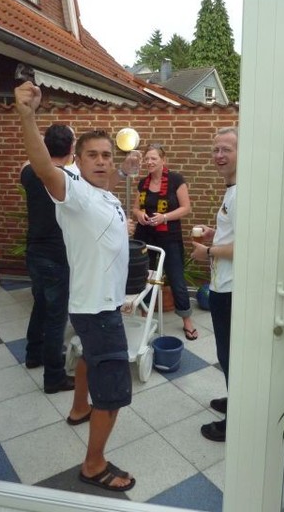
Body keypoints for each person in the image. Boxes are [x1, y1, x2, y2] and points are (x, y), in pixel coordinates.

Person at [15, 81, 136, 492]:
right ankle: (93, 465)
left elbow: (108, 195)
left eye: (107, 155)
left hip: (99, 302)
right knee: (113, 389)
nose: (102, 162)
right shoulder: (74, 192)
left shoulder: (103, 193)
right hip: (97, 308)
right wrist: (28, 116)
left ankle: (79, 407)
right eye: (93, 156)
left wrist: (124, 175)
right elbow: (43, 168)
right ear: (77, 160)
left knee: (88, 356)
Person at [21, 124, 76, 394]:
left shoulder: (27, 172)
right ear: (71, 148)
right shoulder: (67, 179)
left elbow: (29, 161)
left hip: (34, 252)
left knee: (40, 305)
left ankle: (33, 354)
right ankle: (54, 377)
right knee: (56, 317)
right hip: (56, 256)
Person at [191, 127, 238, 442]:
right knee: (226, 354)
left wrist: (207, 251)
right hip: (223, 284)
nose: (219, 156)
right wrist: (215, 234)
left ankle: (236, 421)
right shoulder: (232, 189)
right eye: (215, 149)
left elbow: (247, 245)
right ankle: (236, 400)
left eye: (226, 150)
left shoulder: (242, 192)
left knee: (231, 356)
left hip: (232, 289)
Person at [132, 144, 198, 340]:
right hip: (145, 236)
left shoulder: (176, 180)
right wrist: (140, 214)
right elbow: (135, 208)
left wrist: (165, 217)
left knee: (176, 278)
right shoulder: (142, 183)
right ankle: (145, 316)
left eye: (154, 158)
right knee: (145, 276)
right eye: (147, 159)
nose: (149, 162)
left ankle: (187, 320)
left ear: (163, 160)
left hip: (169, 237)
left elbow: (186, 208)